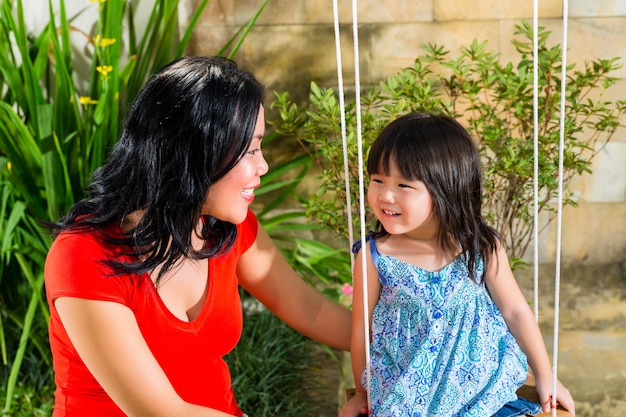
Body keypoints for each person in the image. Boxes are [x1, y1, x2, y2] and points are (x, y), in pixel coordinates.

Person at [44, 55, 351, 417]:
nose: (263, 166)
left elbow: (310, 310)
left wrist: (399, 343)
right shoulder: (84, 255)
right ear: (194, 152)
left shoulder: (226, 230)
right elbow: (160, 412)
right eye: (250, 149)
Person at [339, 112, 576, 417]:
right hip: (408, 395)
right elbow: (362, 331)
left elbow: (515, 310)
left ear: (446, 188)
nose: (385, 195)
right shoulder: (375, 256)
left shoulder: (481, 247)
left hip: (483, 390)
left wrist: (545, 374)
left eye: (403, 185)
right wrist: (362, 393)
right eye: (378, 180)